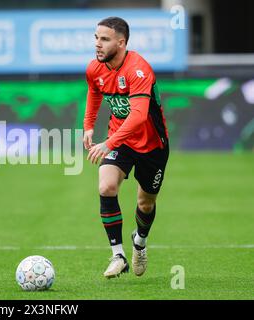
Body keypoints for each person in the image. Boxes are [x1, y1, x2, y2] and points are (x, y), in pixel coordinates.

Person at [83, 17, 169, 278]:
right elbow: (95, 91)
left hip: (152, 145)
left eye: (104, 39)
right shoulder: (95, 68)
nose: (98, 44)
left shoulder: (139, 70)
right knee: (106, 185)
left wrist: (108, 142)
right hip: (121, 141)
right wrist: (88, 125)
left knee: (145, 203)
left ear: (121, 43)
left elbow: (139, 116)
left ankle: (139, 242)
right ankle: (117, 255)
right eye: (96, 38)